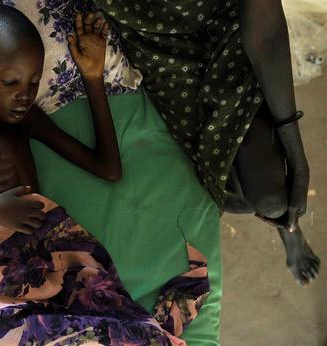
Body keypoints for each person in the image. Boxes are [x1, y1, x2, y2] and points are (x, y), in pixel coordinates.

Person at [0, 6, 208, 345]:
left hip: (39, 269)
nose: (24, 95)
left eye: (33, 81)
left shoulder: (29, 120)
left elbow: (108, 168)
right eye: (10, 82)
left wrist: (93, 78)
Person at [92, 0, 320, 286]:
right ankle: (286, 220)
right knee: (225, 194)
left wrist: (297, 160)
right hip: (154, 45)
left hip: (227, 20)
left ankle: (289, 227)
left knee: (272, 199)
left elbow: (266, 32)